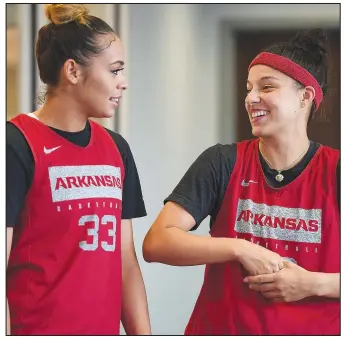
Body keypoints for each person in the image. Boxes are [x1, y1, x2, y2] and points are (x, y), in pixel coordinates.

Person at [143, 29, 339, 335]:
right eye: (249, 88)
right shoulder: (222, 162)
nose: (251, 98)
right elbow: (157, 243)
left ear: (305, 97)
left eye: (267, 87)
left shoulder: (336, 171)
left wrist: (314, 284)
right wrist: (240, 248)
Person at [6, 4, 150, 335]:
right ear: (73, 71)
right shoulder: (15, 145)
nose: (123, 83)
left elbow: (125, 261)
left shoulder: (117, 149)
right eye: (115, 71)